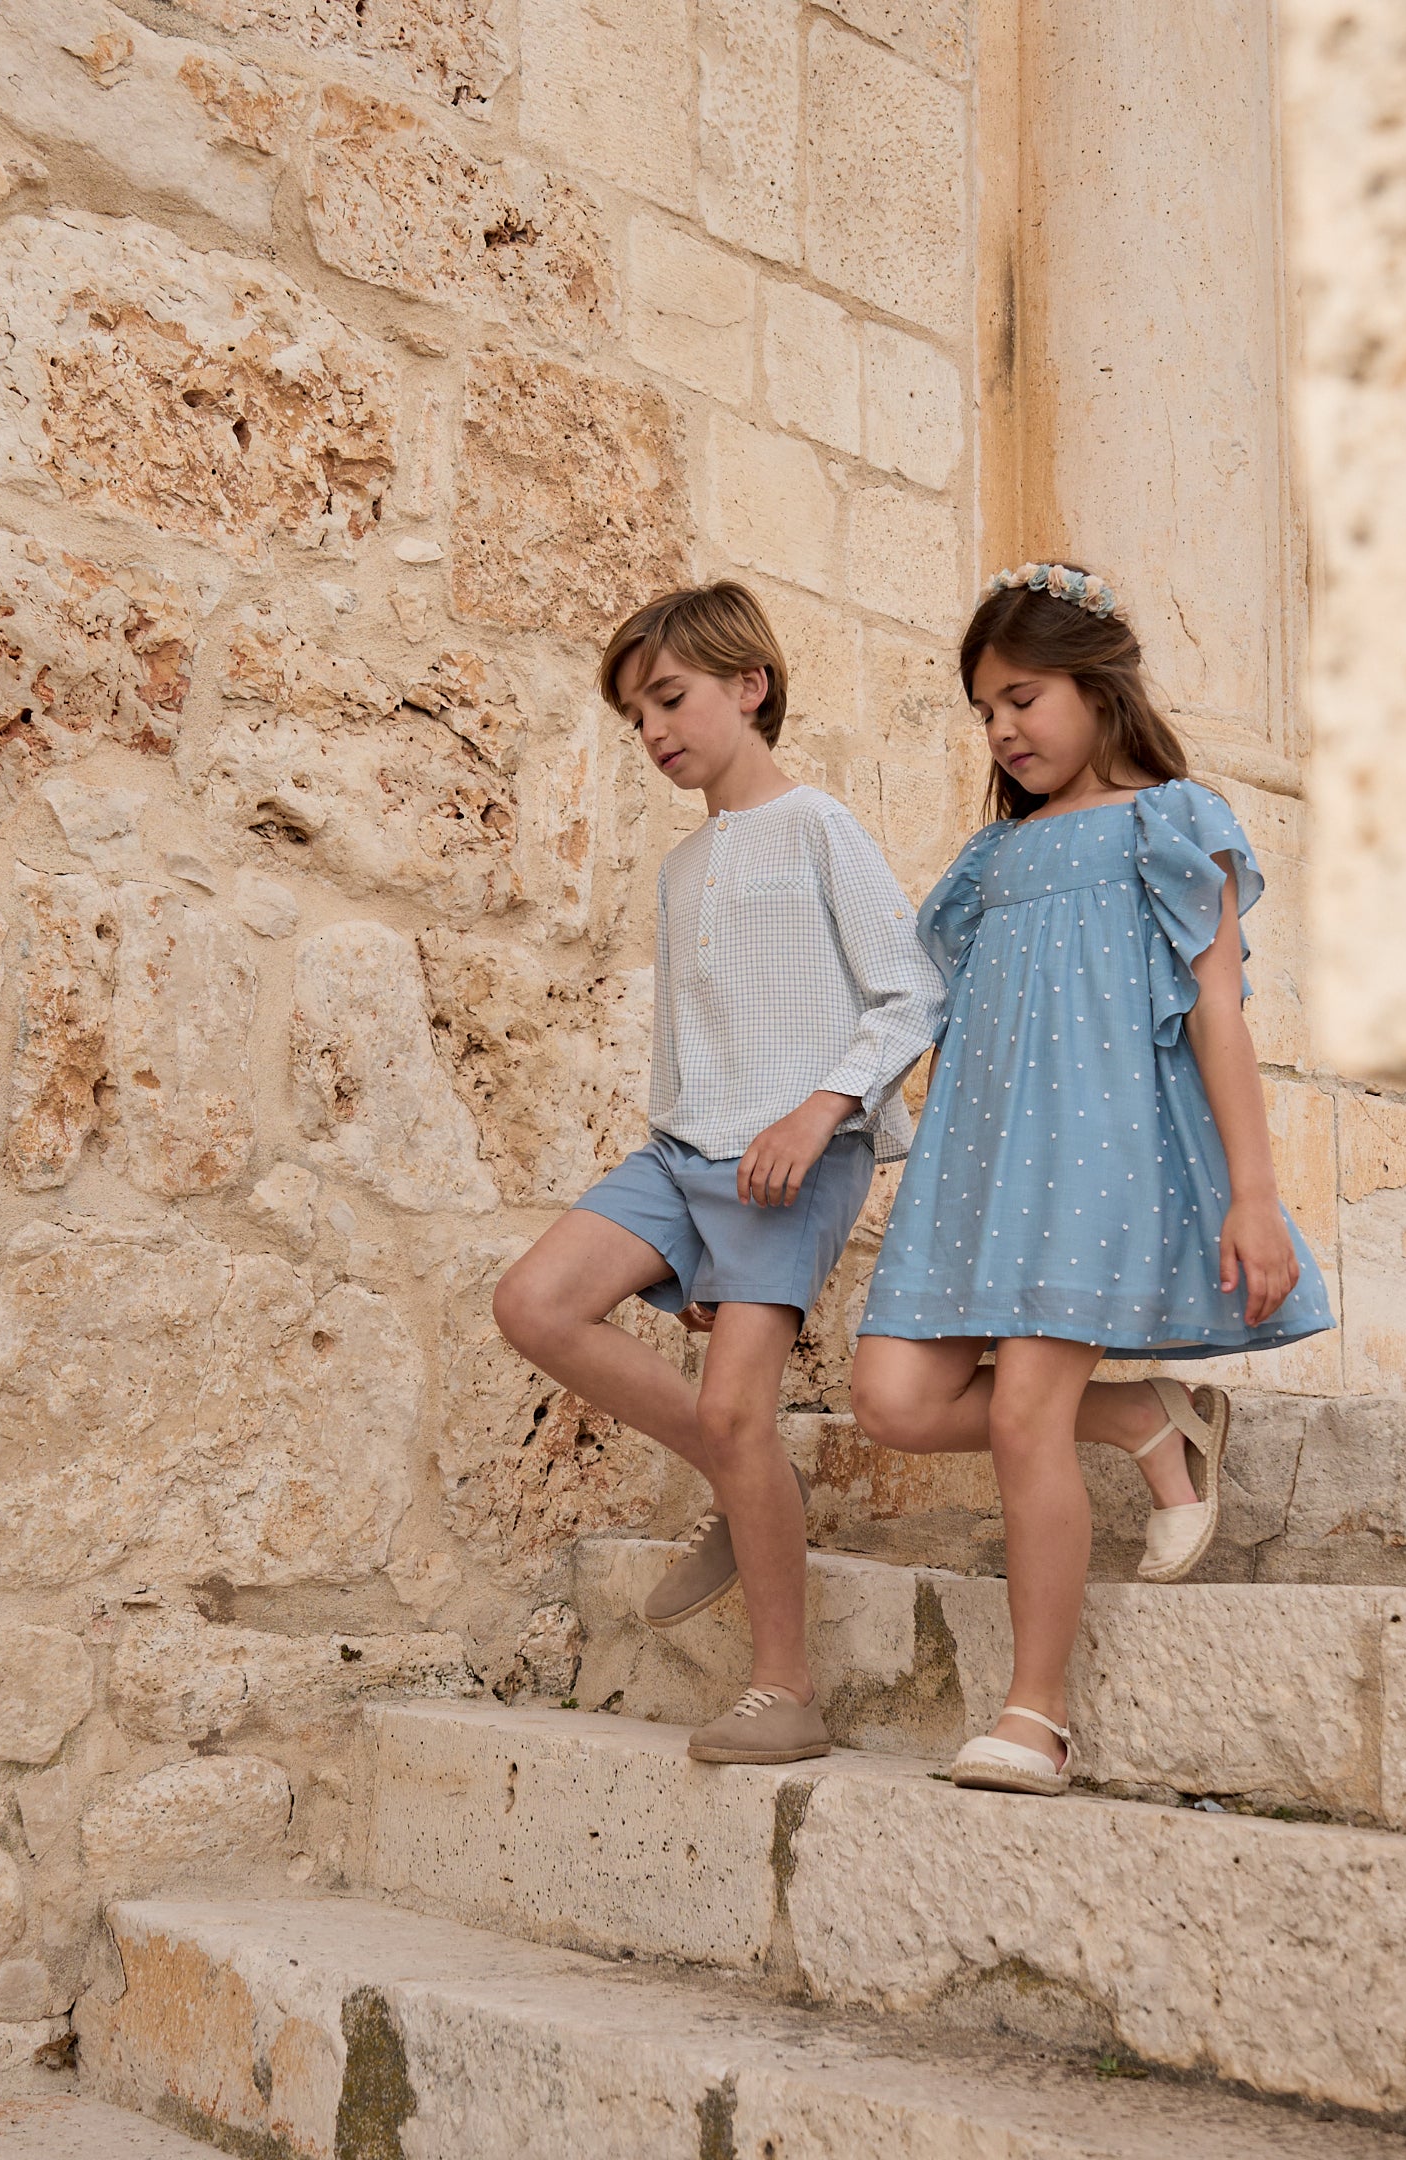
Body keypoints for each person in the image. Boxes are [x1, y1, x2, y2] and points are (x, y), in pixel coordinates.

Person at [850, 561, 1334, 1797]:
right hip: (984, 1165)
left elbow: (1218, 1014)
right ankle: (1141, 1419)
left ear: (1098, 684)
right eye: (986, 712)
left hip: (1098, 1156)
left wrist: (1254, 1190)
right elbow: (960, 1023)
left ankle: (1037, 1713)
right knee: (894, 1401)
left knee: (1019, 1412)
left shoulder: (1173, 824)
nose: (1004, 730)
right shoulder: (987, 863)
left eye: (1023, 697)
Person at [493, 581, 944, 1765]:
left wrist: (820, 1108)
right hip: (683, 1151)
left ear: (749, 687)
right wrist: (675, 1239)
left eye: (672, 698)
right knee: (533, 1303)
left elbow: (915, 991)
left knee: (745, 1406)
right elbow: (676, 1043)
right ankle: (736, 1483)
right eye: (637, 713)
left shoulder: (819, 827)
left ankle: (785, 1689)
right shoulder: (681, 869)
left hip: (792, 1161)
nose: (653, 730)